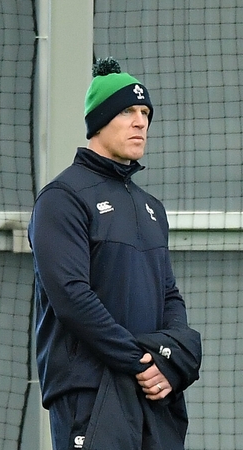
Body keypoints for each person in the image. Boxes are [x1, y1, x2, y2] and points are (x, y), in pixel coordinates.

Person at [28, 58, 201, 450]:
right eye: (127, 111)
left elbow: (169, 295)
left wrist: (170, 358)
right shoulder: (62, 198)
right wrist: (143, 362)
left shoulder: (151, 206)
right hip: (90, 392)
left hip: (153, 393)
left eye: (145, 112)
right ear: (99, 120)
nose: (141, 121)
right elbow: (71, 297)